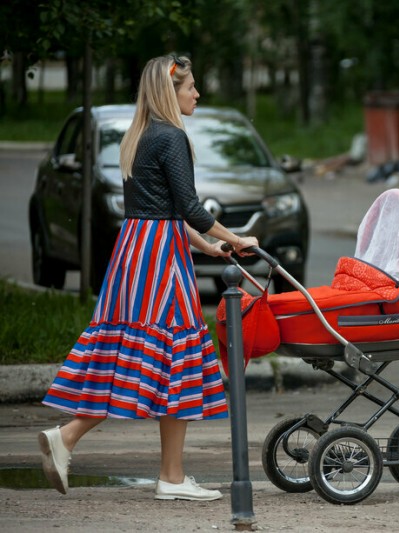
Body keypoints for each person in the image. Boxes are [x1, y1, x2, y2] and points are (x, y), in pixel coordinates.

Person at [38, 54, 259, 501]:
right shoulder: (172, 136)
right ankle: (76, 440)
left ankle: (164, 474)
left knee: (146, 358)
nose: (197, 93)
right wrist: (235, 239)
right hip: (160, 262)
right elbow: (192, 209)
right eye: (191, 86)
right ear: (170, 92)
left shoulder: (140, 136)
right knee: (173, 357)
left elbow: (165, 211)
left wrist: (207, 247)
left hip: (138, 251)